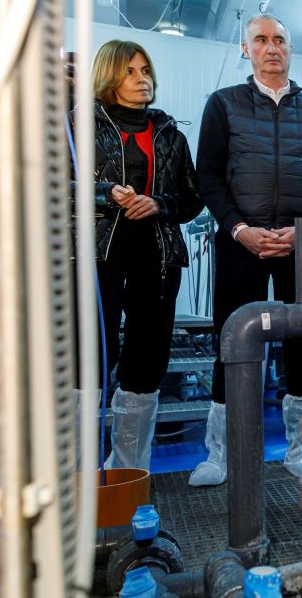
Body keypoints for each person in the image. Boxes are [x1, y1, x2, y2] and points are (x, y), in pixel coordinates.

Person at [192, 13, 302, 485]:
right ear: (247, 50)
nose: (271, 47)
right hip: (242, 244)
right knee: (233, 344)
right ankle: (223, 453)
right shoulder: (223, 105)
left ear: (290, 49)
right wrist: (239, 228)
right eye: (260, 40)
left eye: (279, 39)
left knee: (301, 347)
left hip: (301, 247)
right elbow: (209, 177)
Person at [78, 40, 203, 472]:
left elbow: (191, 200)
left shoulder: (170, 134)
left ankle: (130, 471)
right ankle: (80, 474)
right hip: (96, 259)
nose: (141, 78)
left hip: (158, 260)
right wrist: (107, 194)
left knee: (147, 362)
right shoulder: (77, 125)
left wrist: (159, 204)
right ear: (109, 76)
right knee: (89, 361)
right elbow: (54, 183)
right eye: (130, 71)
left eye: (145, 70)